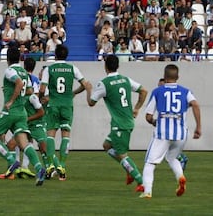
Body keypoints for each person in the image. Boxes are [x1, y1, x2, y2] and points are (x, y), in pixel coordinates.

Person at [85, 55, 147, 192]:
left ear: (105, 66)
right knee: (106, 145)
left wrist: (88, 89)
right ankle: (129, 170)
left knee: (122, 155)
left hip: (120, 125)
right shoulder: (125, 79)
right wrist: (136, 108)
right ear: (118, 66)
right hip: (127, 121)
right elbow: (143, 90)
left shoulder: (104, 83)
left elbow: (91, 103)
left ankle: (141, 182)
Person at [0, 46, 46, 186]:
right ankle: (38, 168)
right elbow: (30, 90)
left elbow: (19, 83)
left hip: (10, 111)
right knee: (24, 143)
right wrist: (12, 90)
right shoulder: (25, 72)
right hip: (22, 113)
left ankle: (12, 160)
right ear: (20, 58)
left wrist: (11, 100)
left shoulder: (9, 70)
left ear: (7, 59)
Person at [140, 64, 201, 199]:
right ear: (177, 77)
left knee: (150, 163)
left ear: (165, 77)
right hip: (180, 134)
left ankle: (147, 191)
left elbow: (148, 116)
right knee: (172, 158)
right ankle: (180, 177)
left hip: (162, 134)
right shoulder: (185, 91)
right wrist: (198, 127)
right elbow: (195, 104)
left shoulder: (158, 91)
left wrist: (154, 122)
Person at [39, 44, 89, 180]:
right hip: (67, 105)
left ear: (55, 55)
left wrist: (41, 99)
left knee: (50, 135)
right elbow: (85, 85)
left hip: (53, 104)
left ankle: (49, 164)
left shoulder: (49, 69)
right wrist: (73, 93)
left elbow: (42, 88)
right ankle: (61, 164)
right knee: (65, 135)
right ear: (66, 55)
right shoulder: (73, 68)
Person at [158, 78, 189, 170]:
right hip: (172, 127)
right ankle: (180, 157)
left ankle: (181, 158)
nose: (159, 87)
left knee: (166, 149)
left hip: (174, 127)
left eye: (161, 85)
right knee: (168, 148)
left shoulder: (170, 97)